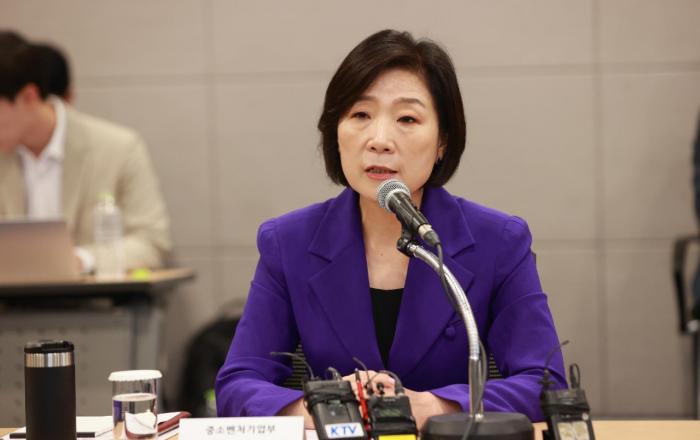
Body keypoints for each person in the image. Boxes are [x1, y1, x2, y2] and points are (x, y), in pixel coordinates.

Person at [215, 29, 567, 428]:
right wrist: (325, 408)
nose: (379, 140)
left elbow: (545, 383)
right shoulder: (289, 242)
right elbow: (237, 386)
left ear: (442, 141)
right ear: (335, 131)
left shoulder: (497, 242)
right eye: (360, 115)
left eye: (407, 119)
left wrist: (433, 407)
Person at [0, 31, 171, 271]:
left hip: (94, 292)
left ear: (29, 97)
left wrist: (81, 260)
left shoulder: (118, 148)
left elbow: (151, 243)